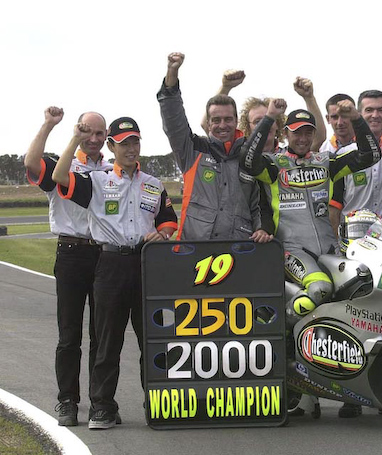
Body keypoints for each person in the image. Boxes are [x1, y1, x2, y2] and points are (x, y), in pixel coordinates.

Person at [52, 117, 178, 430]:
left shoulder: (153, 183)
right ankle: (102, 408)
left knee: (152, 339)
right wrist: (75, 139)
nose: (131, 149)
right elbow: (58, 176)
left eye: (135, 142)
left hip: (146, 263)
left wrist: (163, 233)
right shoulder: (97, 180)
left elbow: (168, 219)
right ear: (111, 147)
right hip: (109, 263)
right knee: (108, 341)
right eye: (124, 144)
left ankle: (158, 403)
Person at [241, 97, 380, 321]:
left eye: (308, 133)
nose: (303, 139)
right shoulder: (273, 165)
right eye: (297, 133)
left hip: (330, 248)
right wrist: (269, 117)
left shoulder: (327, 162)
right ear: (285, 134)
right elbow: (247, 160)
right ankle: (282, 327)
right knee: (320, 288)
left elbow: (371, 155)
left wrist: (356, 118)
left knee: (359, 284)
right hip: (292, 249)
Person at [24, 107, 112, 426]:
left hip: (104, 254)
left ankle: (101, 401)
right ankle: (67, 401)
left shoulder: (112, 169)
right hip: (71, 252)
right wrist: (49, 125)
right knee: (69, 334)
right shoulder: (64, 163)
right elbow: (31, 163)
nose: (93, 138)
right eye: (86, 131)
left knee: (102, 334)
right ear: (77, 130)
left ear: (107, 136)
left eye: (99, 133)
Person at [157, 52, 270, 243]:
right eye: (216, 120)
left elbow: (259, 205)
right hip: (196, 249)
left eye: (228, 119)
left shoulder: (249, 157)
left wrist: (262, 228)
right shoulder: (192, 150)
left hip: (239, 249)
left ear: (236, 121)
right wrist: (172, 74)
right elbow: (173, 119)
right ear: (208, 123)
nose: (222, 125)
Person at [328, 88, 382, 237]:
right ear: (358, 114)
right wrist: (336, 242)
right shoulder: (344, 154)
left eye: (380, 110)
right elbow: (334, 207)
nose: (375, 115)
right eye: (369, 110)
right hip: (354, 239)